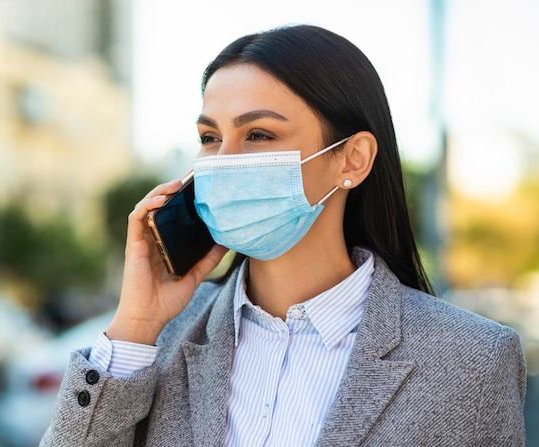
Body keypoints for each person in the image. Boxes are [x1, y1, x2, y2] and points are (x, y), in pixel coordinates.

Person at [40, 25, 526, 446]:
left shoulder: (473, 360)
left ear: (351, 159)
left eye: (258, 135)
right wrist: (137, 326)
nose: (222, 162)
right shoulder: (153, 341)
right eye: (210, 138)